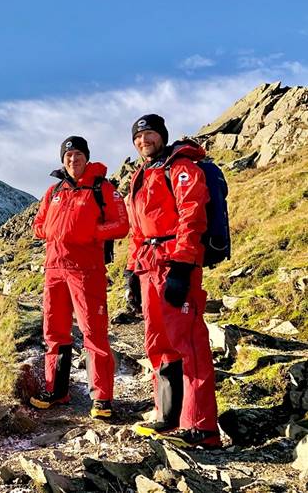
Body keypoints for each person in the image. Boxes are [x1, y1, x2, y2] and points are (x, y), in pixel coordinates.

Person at [126, 114, 221, 448]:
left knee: (189, 342)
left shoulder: (181, 167)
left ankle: (202, 427)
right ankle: (168, 415)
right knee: (159, 342)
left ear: (162, 136)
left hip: (175, 261)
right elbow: (137, 229)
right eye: (138, 137)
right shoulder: (140, 175)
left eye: (149, 134)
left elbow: (192, 216)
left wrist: (182, 267)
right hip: (148, 264)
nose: (143, 141)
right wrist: (131, 272)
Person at [30, 136, 129, 419]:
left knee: (93, 332)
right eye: (68, 156)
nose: (73, 160)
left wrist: (90, 232)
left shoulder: (103, 188)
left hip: (86, 270)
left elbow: (122, 224)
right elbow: (38, 225)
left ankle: (102, 399)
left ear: (87, 158)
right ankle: (56, 390)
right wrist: (51, 231)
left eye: (78, 155)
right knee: (55, 332)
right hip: (54, 269)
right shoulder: (53, 191)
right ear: (63, 160)